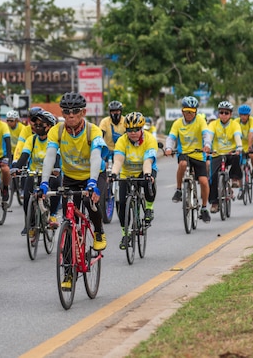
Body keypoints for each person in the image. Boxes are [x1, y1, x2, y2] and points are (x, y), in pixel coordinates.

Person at [39, 92, 109, 256]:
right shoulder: (56, 131)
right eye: (66, 111)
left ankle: (99, 231)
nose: (70, 115)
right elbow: (50, 156)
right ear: (62, 113)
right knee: (69, 220)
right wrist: (44, 182)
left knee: (88, 200)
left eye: (75, 111)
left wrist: (92, 182)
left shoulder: (93, 131)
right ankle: (69, 271)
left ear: (83, 112)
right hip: (70, 177)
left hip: (94, 175)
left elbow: (95, 156)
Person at [109, 112, 158, 250]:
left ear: (142, 128)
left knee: (149, 182)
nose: (133, 133)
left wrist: (148, 174)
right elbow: (118, 160)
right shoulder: (122, 141)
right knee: (122, 203)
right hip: (127, 173)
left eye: (136, 129)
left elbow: (148, 160)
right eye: (130, 130)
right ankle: (125, 234)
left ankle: (149, 208)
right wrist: (113, 173)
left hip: (145, 169)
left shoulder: (149, 139)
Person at [12, 110, 62, 235]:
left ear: (49, 126)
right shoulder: (31, 140)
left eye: (41, 124)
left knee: (56, 183)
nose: (37, 126)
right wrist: (16, 167)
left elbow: (56, 156)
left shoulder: (55, 140)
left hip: (51, 173)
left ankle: (54, 214)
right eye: (36, 124)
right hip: (34, 172)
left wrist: (56, 169)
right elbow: (24, 155)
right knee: (28, 197)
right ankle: (32, 224)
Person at [165, 96, 212, 223]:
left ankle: (203, 208)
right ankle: (179, 190)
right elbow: (171, 137)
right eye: (187, 111)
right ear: (182, 111)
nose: (189, 114)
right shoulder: (177, 123)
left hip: (198, 155)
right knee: (183, 163)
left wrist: (207, 145)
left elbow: (206, 134)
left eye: (192, 111)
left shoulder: (201, 121)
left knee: (203, 181)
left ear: (196, 111)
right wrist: (168, 148)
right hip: (184, 153)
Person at [207, 101, 242, 212]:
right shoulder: (213, 124)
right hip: (217, 154)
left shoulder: (235, 124)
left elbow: (237, 136)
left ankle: (235, 178)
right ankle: (214, 203)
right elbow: (209, 136)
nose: (223, 115)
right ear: (218, 113)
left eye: (226, 113)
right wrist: (207, 146)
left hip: (230, 153)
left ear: (230, 114)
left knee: (237, 157)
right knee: (212, 177)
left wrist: (239, 147)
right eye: (221, 112)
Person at [237, 105, 253, 178]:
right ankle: (239, 186)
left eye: (245, 115)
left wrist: (249, 146)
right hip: (240, 144)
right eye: (241, 115)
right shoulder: (236, 121)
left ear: (248, 115)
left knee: (252, 155)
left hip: (250, 142)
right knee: (237, 160)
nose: (243, 117)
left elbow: (251, 134)